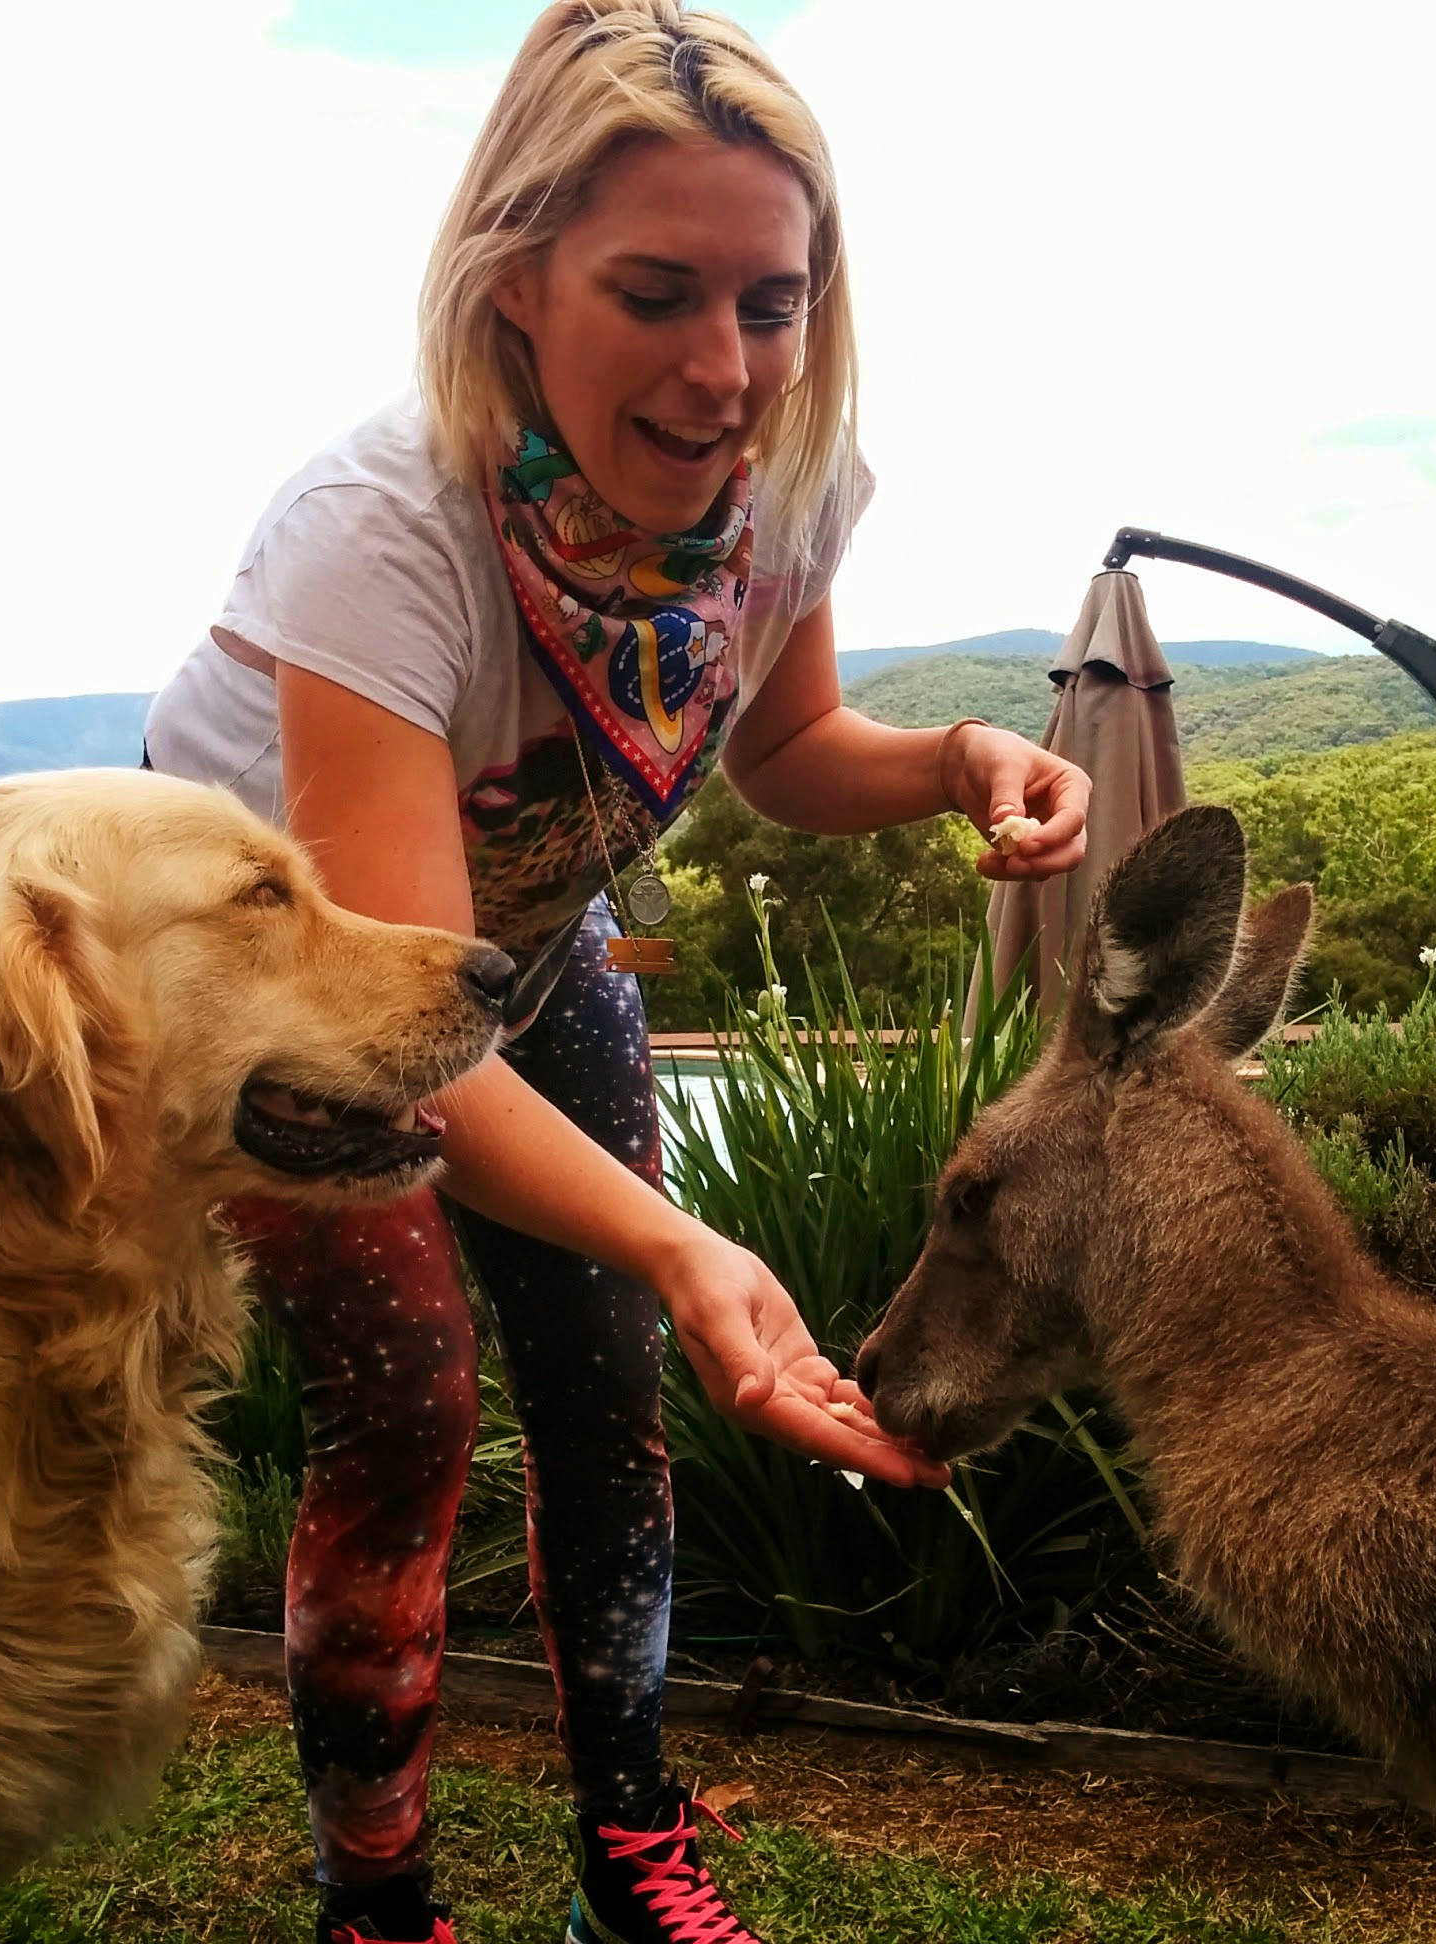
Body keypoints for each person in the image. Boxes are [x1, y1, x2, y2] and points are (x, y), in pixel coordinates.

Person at [144, 5, 1088, 1940]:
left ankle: (629, 1852)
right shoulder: (378, 536)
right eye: (654, 293)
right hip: (288, 1004)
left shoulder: (797, 483)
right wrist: (680, 1234)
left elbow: (781, 753)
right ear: (511, 281)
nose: (722, 369)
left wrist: (954, 767)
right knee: (408, 1405)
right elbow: (399, 1036)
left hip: (529, 939)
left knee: (610, 1393)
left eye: (771, 299)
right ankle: (379, 1897)